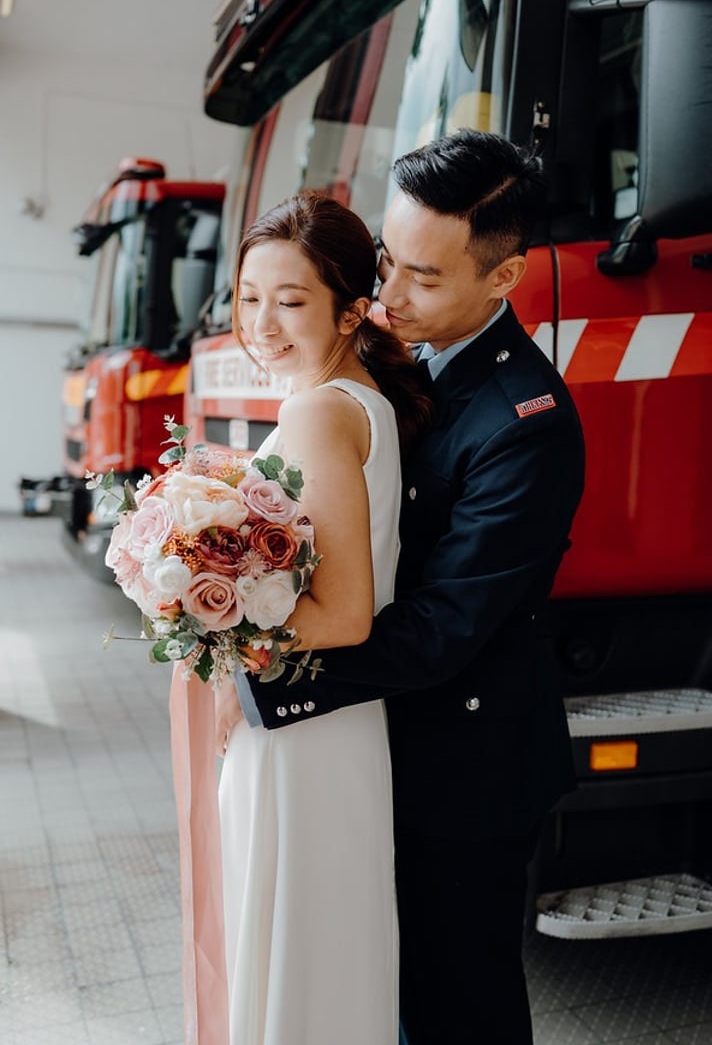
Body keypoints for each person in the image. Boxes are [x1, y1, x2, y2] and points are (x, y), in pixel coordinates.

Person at [223, 129, 586, 1045]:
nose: (387, 294)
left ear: (504, 278)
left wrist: (264, 664)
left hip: (467, 763)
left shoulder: (526, 421)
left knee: (457, 1005)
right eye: (387, 260)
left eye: (423, 276)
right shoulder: (395, 361)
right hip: (381, 737)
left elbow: (443, 625)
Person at [217, 191, 431, 1045]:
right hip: (333, 722)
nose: (261, 324)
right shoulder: (355, 398)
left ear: (350, 311)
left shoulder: (319, 409)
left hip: (303, 725)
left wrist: (216, 626)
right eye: (249, 298)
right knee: (321, 950)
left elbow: (343, 614)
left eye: (290, 301)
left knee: (297, 944)